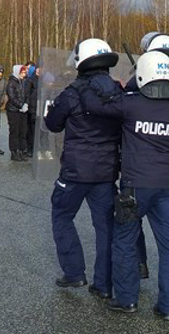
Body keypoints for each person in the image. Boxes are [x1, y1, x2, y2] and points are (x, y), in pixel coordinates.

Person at [82, 50, 169, 320]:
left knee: (125, 242)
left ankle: (127, 300)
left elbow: (96, 107)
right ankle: (168, 307)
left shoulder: (131, 104)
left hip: (135, 187)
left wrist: (90, 84)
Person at [45, 39, 123, 299]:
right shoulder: (117, 91)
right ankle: (104, 284)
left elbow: (53, 124)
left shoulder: (72, 92)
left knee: (62, 216)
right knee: (105, 227)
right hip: (107, 170)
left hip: (76, 171)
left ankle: (74, 273)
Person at [6, 65, 30, 161]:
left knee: (23, 131)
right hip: (13, 110)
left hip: (23, 110)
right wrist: (20, 105)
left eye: (25, 73)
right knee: (14, 131)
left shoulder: (23, 82)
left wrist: (26, 104)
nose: (24, 75)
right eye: (22, 72)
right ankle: (14, 151)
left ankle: (22, 150)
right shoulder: (11, 83)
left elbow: (27, 94)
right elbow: (12, 97)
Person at [25, 62, 38, 158]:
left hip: (41, 107)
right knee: (31, 130)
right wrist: (28, 105)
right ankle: (30, 148)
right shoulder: (30, 80)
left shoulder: (43, 80)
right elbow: (27, 94)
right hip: (32, 107)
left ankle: (38, 148)